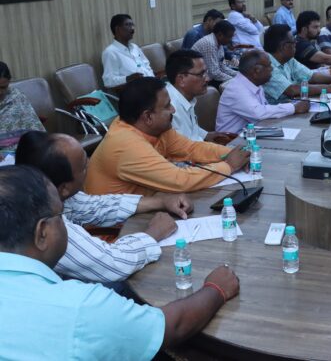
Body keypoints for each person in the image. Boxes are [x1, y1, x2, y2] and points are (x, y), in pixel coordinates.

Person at [0, 166, 239, 359]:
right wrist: (216, 289)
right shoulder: (81, 307)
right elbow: (170, 328)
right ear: (42, 232)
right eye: (62, 216)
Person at [15, 131, 191, 282]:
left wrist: (161, 201)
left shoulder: (40, 191)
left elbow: (96, 206)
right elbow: (114, 264)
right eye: (84, 166)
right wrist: (154, 233)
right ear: (64, 189)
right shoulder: (47, 225)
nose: (90, 162)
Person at [84, 77, 249, 196]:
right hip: (117, 228)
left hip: (147, 208)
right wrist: (229, 165)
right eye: (167, 106)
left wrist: (233, 153)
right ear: (148, 117)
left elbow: (192, 149)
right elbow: (180, 180)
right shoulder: (125, 144)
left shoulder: (154, 128)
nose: (173, 110)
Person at [216, 50, 310, 134]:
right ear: (257, 70)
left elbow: (265, 110)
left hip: (251, 133)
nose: (272, 69)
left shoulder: (256, 83)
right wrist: (293, 107)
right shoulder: (236, 89)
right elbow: (259, 113)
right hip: (230, 141)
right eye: (269, 66)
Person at [263, 24, 331, 104]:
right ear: (284, 46)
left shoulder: (288, 60)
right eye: (294, 41)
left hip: (293, 105)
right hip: (277, 112)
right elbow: (291, 90)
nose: (296, 43)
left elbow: (311, 76)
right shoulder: (267, 65)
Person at [164, 50, 235, 143]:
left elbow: (190, 129)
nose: (207, 79)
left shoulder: (185, 96)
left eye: (206, 72)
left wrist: (206, 135)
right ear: (181, 79)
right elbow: (185, 149)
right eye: (201, 74)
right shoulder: (170, 108)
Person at [0, 61, 45, 153]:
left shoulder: (16, 96)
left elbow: (33, 128)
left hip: (24, 150)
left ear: (9, 82)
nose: (0, 92)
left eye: (3, 87)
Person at [101, 14, 155, 88]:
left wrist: (153, 80)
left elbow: (147, 65)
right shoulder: (110, 52)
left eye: (132, 25)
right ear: (117, 29)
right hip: (135, 90)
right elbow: (108, 81)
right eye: (128, 25)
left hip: (151, 85)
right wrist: (127, 78)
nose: (132, 29)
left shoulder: (135, 47)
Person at [192, 20, 238, 88]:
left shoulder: (219, 43)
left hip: (208, 75)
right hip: (197, 78)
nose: (230, 40)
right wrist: (233, 80)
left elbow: (222, 67)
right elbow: (214, 73)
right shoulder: (210, 44)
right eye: (229, 37)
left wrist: (238, 75)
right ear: (220, 35)